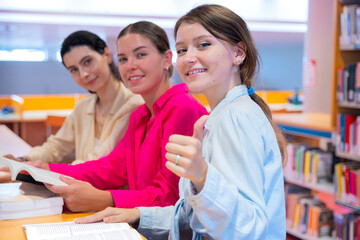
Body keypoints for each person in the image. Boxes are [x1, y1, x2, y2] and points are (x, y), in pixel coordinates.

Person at [76, 4, 287, 240]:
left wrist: (204, 176)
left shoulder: (235, 117)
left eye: (203, 44)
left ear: (238, 53)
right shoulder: (219, 116)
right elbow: (199, 218)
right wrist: (137, 215)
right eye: (182, 49)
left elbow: (249, 228)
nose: (188, 58)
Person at [26, 21, 208, 212]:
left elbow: (171, 195)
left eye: (141, 55)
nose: (130, 66)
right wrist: (45, 170)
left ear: (166, 59)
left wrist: (105, 199)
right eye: (122, 59)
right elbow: (113, 168)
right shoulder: (141, 115)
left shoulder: (182, 107)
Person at [4, 30, 143, 165]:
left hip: (112, 189)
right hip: (81, 185)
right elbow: (56, 146)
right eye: (74, 70)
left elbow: (100, 162)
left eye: (87, 61)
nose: (83, 74)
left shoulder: (134, 106)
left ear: (106, 55)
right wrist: (23, 160)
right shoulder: (84, 107)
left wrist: (48, 171)